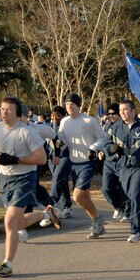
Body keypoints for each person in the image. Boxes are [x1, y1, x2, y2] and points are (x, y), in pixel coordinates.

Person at [0, 97, 61, 277]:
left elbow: (40, 158)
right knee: (17, 223)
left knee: (9, 222)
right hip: (4, 179)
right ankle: (46, 213)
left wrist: (16, 159)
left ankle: (7, 264)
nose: (4, 113)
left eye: (8, 110)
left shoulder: (27, 132)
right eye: (2, 109)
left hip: (25, 178)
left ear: (18, 113)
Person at [107, 100, 140, 242]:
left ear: (133, 111)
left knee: (136, 196)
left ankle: (135, 230)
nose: (123, 113)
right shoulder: (115, 128)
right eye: (121, 110)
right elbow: (107, 143)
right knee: (128, 199)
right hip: (123, 167)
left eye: (125, 110)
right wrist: (110, 150)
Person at [57, 93, 107, 238]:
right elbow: (62, 138)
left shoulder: (89, 120)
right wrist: (59, 143)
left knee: (78, 197)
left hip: (88, 162)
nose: (69, 106)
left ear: (78, 105)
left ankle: (98, 219)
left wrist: (93, 148)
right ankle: (98, 226)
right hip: (74, 163)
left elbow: (103, 138)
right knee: (85, 197)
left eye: (72, 104)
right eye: (67, 104)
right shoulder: (64, 122)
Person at [99, 104, 129, 222]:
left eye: (113, 114)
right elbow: (105, 142)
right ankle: (117, 206)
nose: (111, 116)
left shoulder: (125, 127)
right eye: (109, 114)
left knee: (123, 189)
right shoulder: (107, 126)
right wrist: (104, 151)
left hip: (122, 162)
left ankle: (127, 211)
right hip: (109, 163)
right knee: (106, 188)